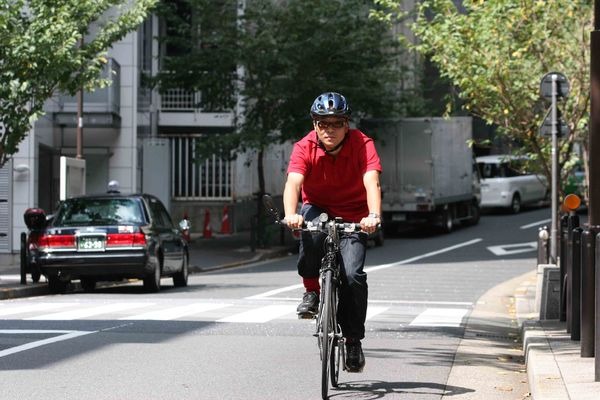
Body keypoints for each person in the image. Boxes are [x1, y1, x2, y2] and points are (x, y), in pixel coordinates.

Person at [283, 91, 382, 373]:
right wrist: (291, 214)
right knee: (310, 233)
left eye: (336, 123)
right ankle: (312, 292)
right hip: (317, 207)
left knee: (353, 276)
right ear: (314, 124)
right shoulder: (304, 146)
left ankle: (353, 340)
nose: (329, 129)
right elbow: (293, 183)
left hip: (354, 214)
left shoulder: (363, 144)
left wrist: (373, 216)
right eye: (322, 123)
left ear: (346, 124)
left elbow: (371, 182)